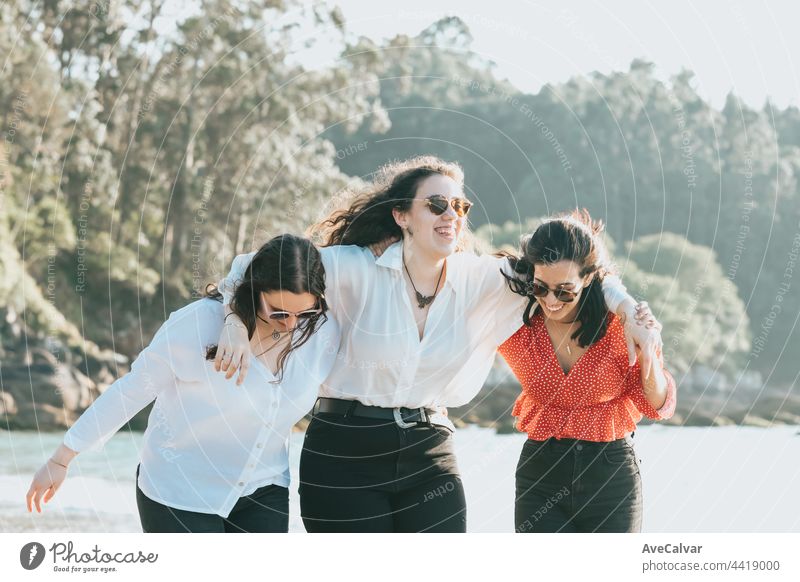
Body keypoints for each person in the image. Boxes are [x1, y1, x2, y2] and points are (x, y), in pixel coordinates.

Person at [214, 156, 662, 532]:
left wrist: (628, 312)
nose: (451, 214)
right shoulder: (352, 268)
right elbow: (254, 266)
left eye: (459, 206)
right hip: (344, 451)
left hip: (429, 450)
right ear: (402, 215)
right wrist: (235, 323)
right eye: (436, 204)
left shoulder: (483, 278)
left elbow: (578, 273)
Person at [25, 234, 340, 533]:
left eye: (306, 312)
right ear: (254, 290)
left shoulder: (322, 333)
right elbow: (132, 391)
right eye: (280, 312)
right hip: (180, 491)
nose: (292, 325)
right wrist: (62, 457)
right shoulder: (198, 325)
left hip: (263, 489)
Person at [499, 210, 676, 533]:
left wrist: (648, 355)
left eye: (565, 291)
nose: (551, 301)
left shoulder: (621, 329)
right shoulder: (517, 325)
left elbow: (656, 404)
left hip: (610, 478)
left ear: (589, 279)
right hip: (541, 476)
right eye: (541, 288)